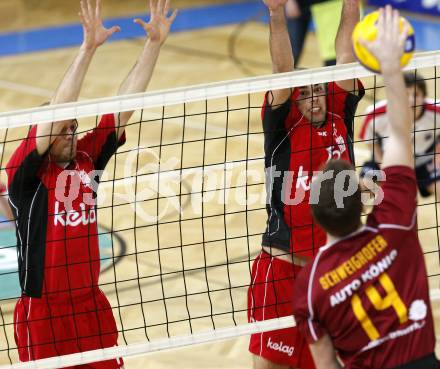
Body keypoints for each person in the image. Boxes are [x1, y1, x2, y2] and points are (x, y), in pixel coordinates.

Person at [6, 0, 177, 367]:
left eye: (73, 128)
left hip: (89, 305)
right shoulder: (26, 177)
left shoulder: (87, 159)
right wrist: (87, 50)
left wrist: (154, 45)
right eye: (61, 129)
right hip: (44, 314)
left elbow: (123, 105)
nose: (70, 133)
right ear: (42, 137)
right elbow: (56, 113)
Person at [293, 6, 440, 369]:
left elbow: (326, 365)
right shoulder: (394, 223)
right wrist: (392, 68)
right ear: (362, 200)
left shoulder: (310, 286)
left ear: (315, 212)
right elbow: (400, 135)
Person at [247, 0, 364, 368]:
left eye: (318, 90)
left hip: (332, 267)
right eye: (305, 93)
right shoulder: (283, 126)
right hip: (283, 269)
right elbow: (282, 68)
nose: (314, 98)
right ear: (293, 100)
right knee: (269, 363)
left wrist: (351, 2)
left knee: (333, 360)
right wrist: (277, 12)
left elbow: (346, 51)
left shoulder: (339, 113)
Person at [359, 72, 440, 198]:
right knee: (365, 187)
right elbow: (371, 143)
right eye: (405, 94)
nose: (411, 100)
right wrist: (385, 167)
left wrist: (438, 156)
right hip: (388, 161)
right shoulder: (375, 115)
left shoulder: (437, 112)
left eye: (416, 95)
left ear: (424, 96)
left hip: (424, 161)